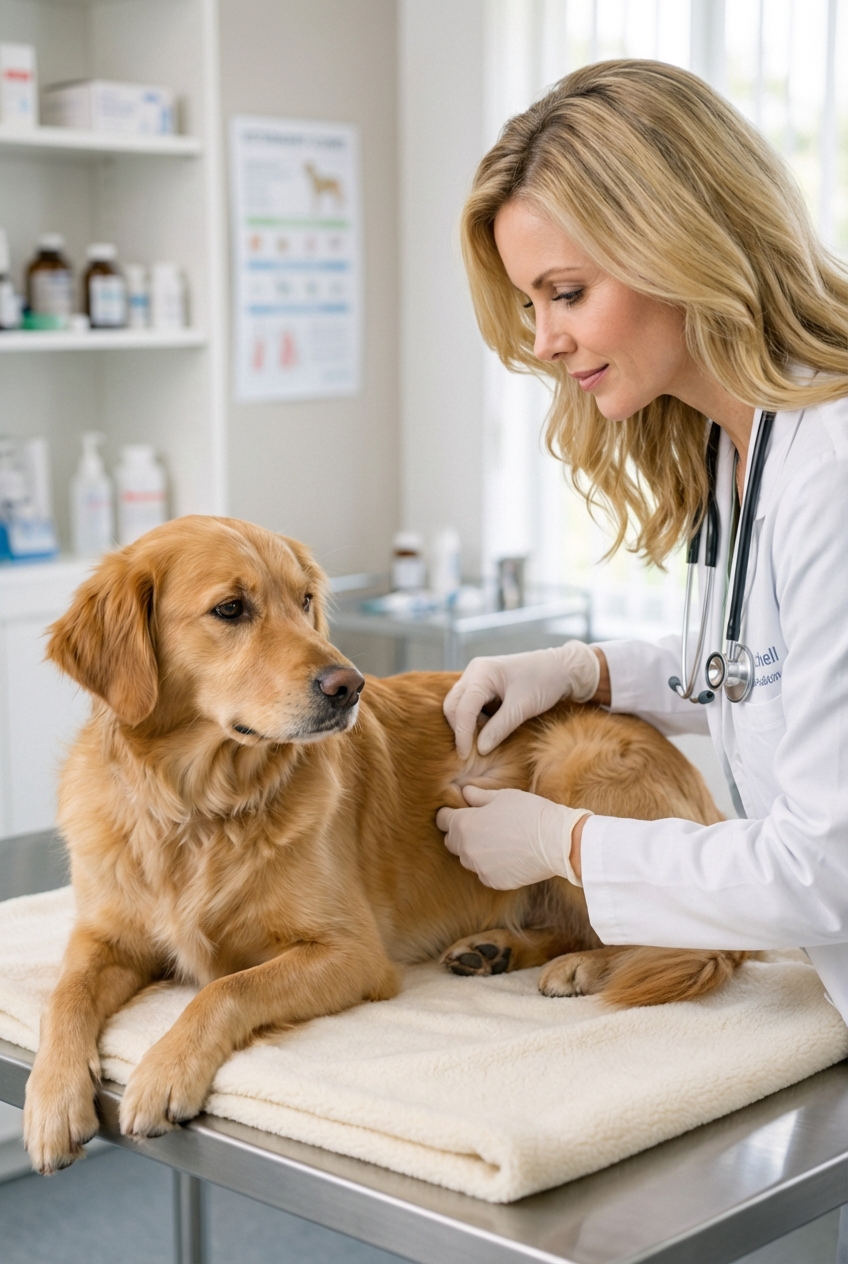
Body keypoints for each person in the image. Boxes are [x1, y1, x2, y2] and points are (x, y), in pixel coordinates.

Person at [436, 60, 848, 1030]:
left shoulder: (829, 462)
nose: (541, 339)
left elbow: (824, 864)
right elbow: (770, 669)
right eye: (529, 304)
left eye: (564, 291)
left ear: (677, 242)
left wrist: (565, 842)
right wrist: (584, 671)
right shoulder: (737, 440)